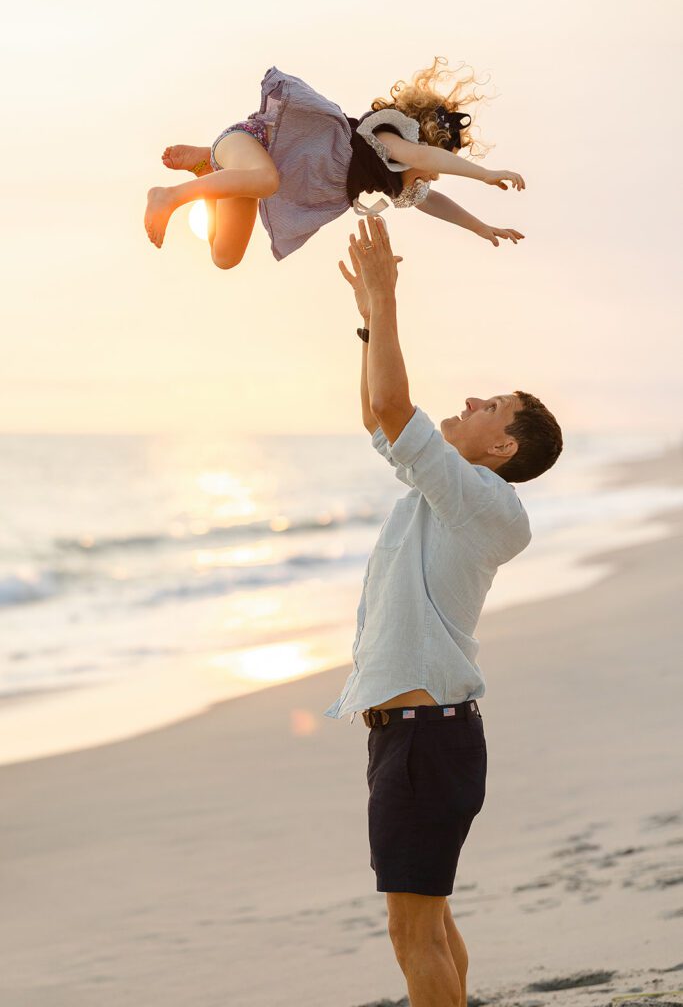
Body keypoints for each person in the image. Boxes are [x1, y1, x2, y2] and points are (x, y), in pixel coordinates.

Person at [324, 215, 563, 1006]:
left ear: (502, 449)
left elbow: (393, 406)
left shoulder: (484, 504)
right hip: (415, 739)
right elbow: (379, 417)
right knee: (431, 925)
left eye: (490, 405)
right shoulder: (449, 492)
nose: (469, 400)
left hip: (428, 742)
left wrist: (387, 299)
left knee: (413, 933)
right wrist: (368, 316)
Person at [144, 57, 525, 264]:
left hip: (247, 173)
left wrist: (480, 227)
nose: (433, 172)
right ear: (422, 138)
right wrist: (486, 174)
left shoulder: (394, 180)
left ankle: (208, 169)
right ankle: (170, 195)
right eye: (439, 161)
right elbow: (423, 155)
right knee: (266, 181)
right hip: (251, 140)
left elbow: (434, 203)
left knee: (225, 257)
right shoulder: (388, 137)